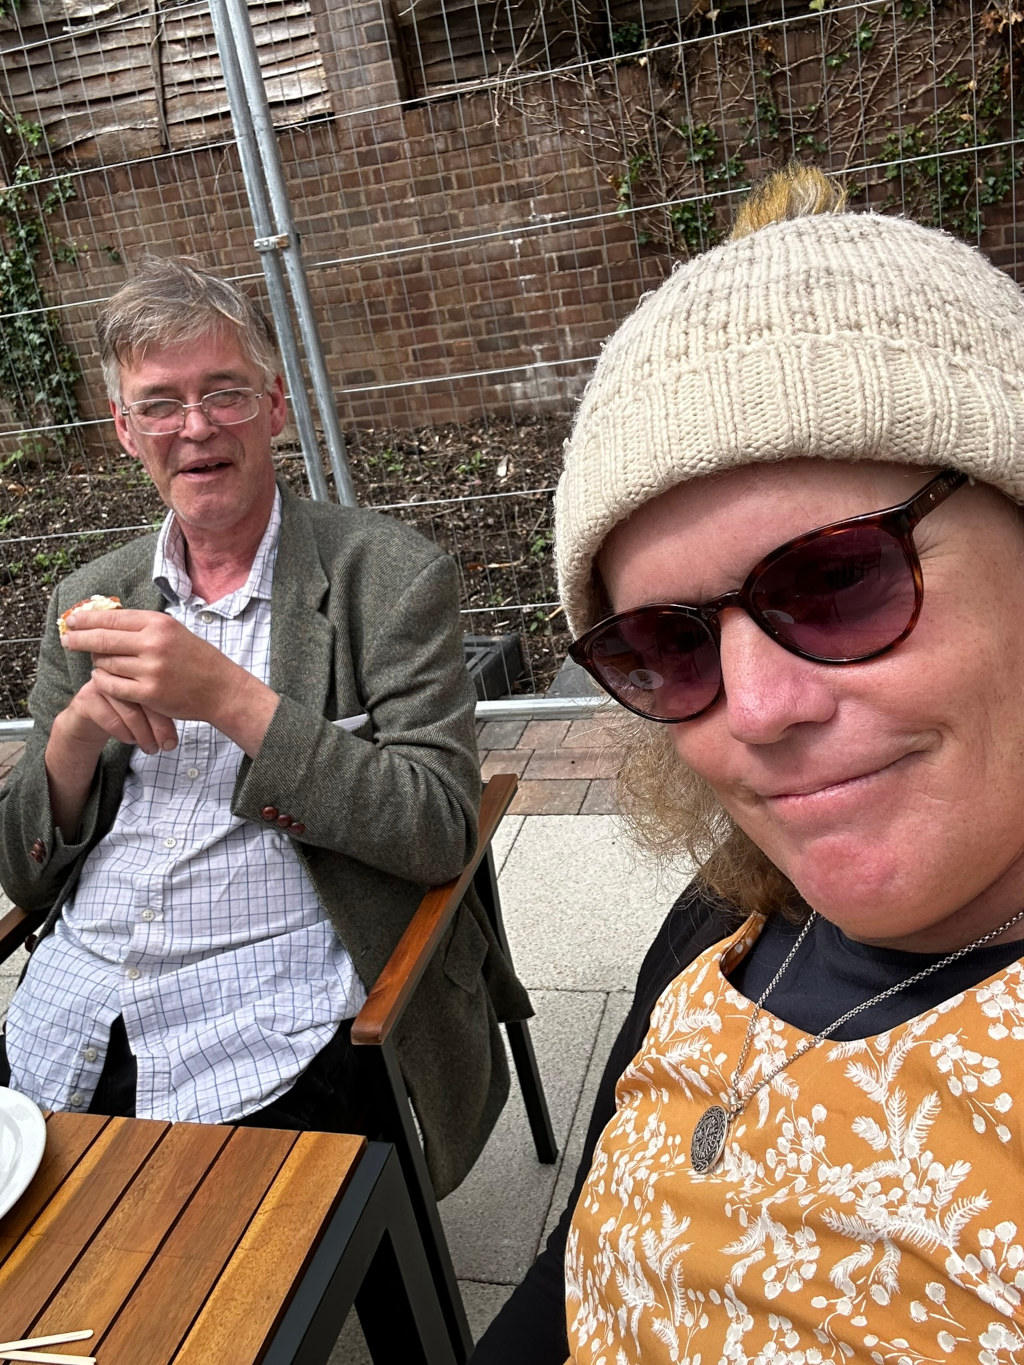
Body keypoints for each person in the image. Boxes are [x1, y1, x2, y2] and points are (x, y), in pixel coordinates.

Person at [472, 164, 1024, 1362]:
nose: (759, 711)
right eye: (667, 645)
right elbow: (573, 1268)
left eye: (835, 580)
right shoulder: (719, 925)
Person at [0, 257, 529, 1199]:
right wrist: (76, 733)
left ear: (277, 406)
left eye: (225, 393)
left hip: (272, 1023)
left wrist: (233, 699)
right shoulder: (88, 601)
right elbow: (24, 867)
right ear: (126, 431)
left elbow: (440, 827)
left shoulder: (388, 577)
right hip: (72, 1014)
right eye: (160, 404)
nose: (195, 426)